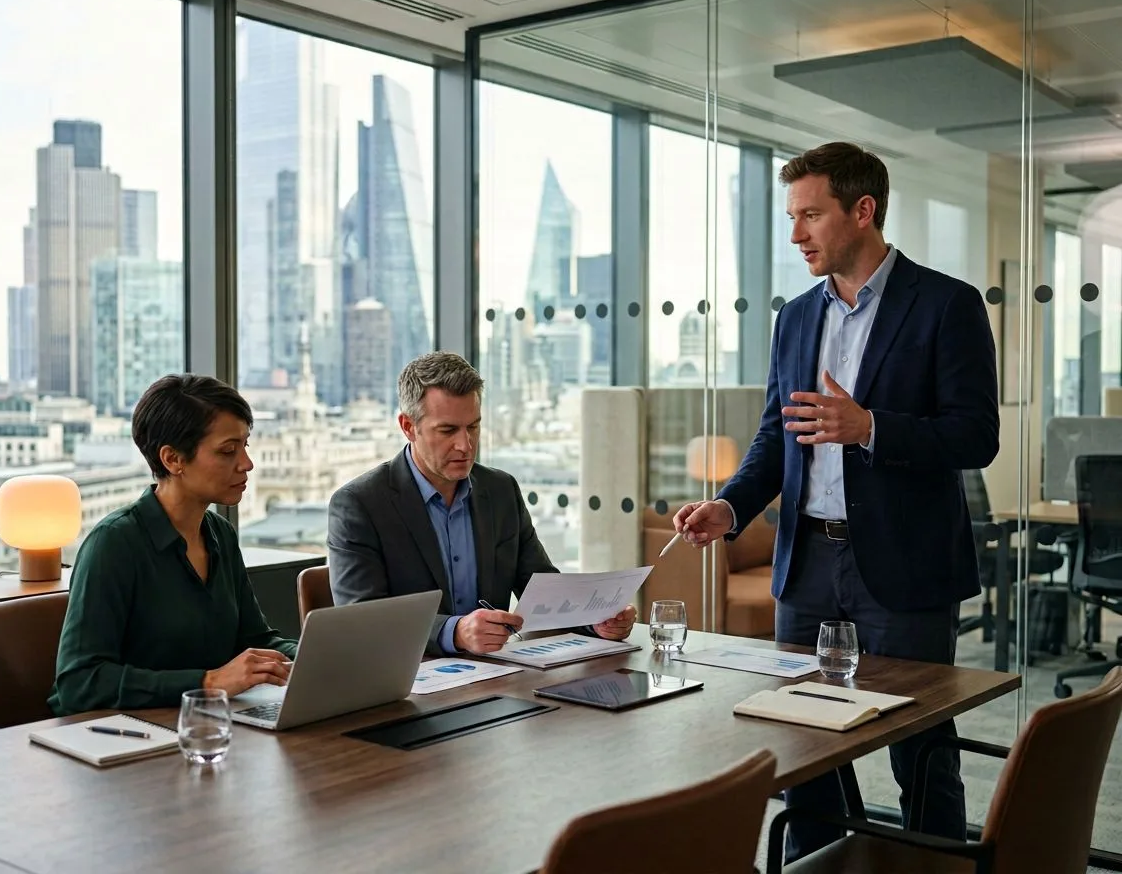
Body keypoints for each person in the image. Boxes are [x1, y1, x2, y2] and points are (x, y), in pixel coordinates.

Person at [673, 142, 998, 862]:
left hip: (904, 565)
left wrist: (870, 426)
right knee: (803, 742)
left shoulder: (946, 304)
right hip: (808, 563)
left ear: (862, 210)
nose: (797, 235)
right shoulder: (794, 317)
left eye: (811, 215)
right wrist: (732, 506)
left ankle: (934, 869)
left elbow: (977, 435)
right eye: (792, 217)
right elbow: (774, 436)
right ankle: (815, 867)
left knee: (919, 745)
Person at [328, 351, 637, 656]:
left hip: (496, 676)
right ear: (409, 427)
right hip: (408, 684)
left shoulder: (500, 490)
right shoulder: (359, 505)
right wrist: (454, 632)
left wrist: (595, 620)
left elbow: (542, 590)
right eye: (448, 430)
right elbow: (364, 619)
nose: (465, 445)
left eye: (473, 426)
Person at [49, 374, 297, 716]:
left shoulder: (220, 534)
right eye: (228, 451)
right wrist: (208, 683)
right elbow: (80, 682)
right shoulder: (114, 544)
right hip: (126, 740)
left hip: (203, 726)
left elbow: (254, 640)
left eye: (245, 446)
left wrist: (318, 655)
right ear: (173, 459)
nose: (246, 463)